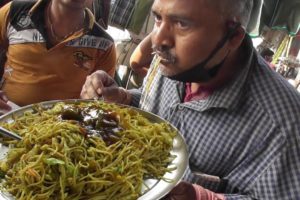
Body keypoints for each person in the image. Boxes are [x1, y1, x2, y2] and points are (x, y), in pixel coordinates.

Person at [81, 0, 300, 199]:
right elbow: (156, 106)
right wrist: (124, 97)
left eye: (182, 24)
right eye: (158, 18)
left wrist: (203, 197)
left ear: (233, 37)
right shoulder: (175, 59)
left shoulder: (282, 127)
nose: (158, 41)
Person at [0, 0, 116, 112]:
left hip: (64, 129)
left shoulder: (104, 45)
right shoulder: (14, 12)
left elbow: (101, 106)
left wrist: (100, 96)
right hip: (4, 120)